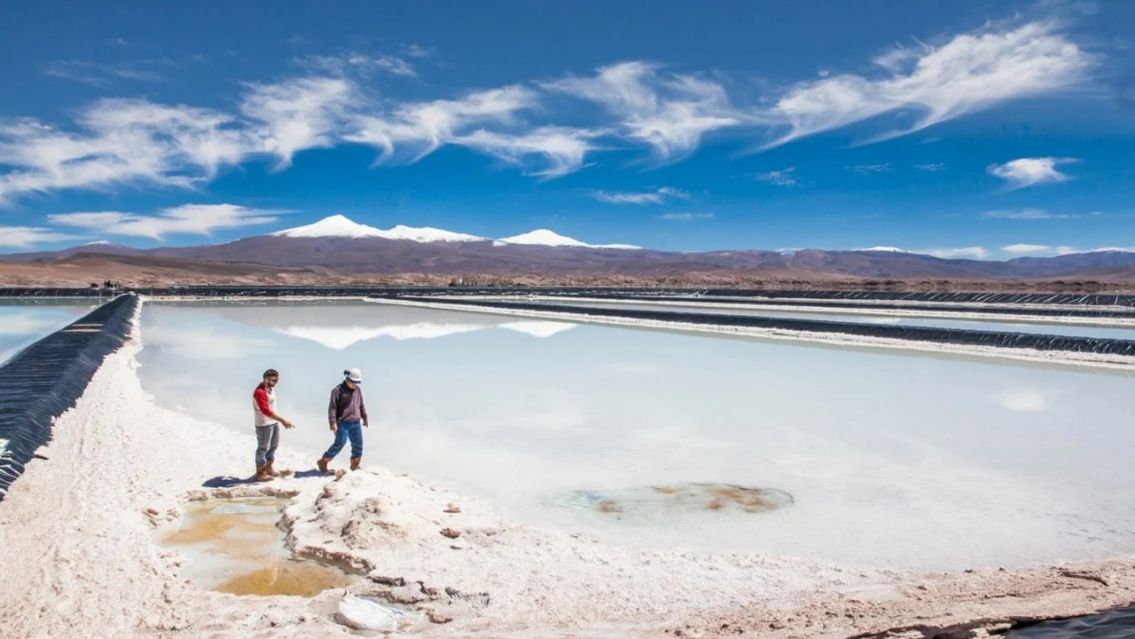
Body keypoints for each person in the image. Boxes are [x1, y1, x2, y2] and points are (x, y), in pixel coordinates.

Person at [317, 368, 368, 473]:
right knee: (340, 442)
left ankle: (355, 466)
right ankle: (323, 461)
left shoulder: (357, 390)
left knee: (358, 444)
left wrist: (365, 417)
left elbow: (361, 405)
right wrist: (332, 423)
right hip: (342, 423)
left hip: (356, 423)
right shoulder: (337, 390)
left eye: (357, 382)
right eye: (353, 382)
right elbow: (332, 408)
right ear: (347, 379)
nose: (355, 384)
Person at [252, 368, 294, 481]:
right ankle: (261, 473)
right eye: (273, 380)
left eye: (277, 380)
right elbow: (265, 411)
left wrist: (278, 420)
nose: (275, 382)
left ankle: (268, 468)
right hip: (264, 423)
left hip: (273, 422)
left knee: (274, 446)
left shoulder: (270, 388)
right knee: (263, 448)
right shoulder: (260, 392)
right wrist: (283, 420)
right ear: (265, 379)